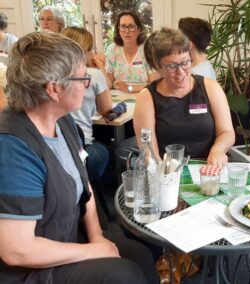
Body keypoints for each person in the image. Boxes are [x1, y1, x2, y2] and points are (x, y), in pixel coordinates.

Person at [0, 32, 158, 284]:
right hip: (30, 268)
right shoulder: (13, 147)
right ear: (53, 89)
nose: (87, 84)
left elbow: (85, 186)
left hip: (68, 237)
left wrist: (96, 236)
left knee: (140, 254)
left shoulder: (63, 121)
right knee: (123, 275)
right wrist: (90, 251)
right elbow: (16, 250)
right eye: (83, 78)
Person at [134, 27, 235, 168]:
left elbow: (227, 132)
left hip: (209, 168)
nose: (180, 72)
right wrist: (164, 175)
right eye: (172, 66)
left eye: (185, 63)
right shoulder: (147, 97)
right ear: (158, 66)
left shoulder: (210, 87)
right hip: (167, 172)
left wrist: (218, 150)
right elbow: (149, 153)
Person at [61, 26, 113, 184]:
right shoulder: (93, 75)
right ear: (85, 51)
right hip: (82, 146)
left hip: (58, 146)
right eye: (91, 49)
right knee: (108, 151)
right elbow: (107, 110)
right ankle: (96, 194)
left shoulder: (53, 74)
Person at [105, 10, 158, 93]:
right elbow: (108, 84)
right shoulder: (112, 49)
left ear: (139, 29)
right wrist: (100, 65)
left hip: (144, 96)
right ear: (118, 30)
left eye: (131, 26)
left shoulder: (148, 49)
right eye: (123, 26)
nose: (127, 31)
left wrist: (130, 88)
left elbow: (155, 84)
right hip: (118, 99)